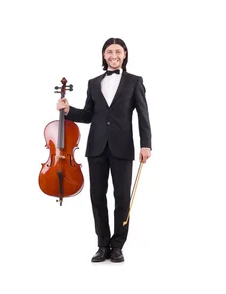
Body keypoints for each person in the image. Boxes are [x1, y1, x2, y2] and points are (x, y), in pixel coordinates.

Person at [57, 37, 152, 263]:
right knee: (97, 197)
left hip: (123, 148)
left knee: (121, 198)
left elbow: (143, 115)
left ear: (125, 54)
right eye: (109, 51)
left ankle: (117, 246)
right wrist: (69, 110)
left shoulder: (134, 81)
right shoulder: (93, 82)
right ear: (104, 55)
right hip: (97, 148)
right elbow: (89, 115)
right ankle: (102, 245)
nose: (113, 55)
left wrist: (146, 144)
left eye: (118, 51)